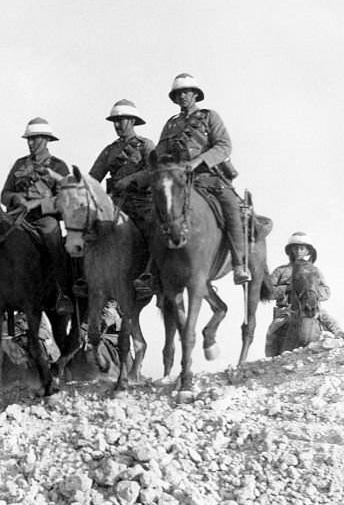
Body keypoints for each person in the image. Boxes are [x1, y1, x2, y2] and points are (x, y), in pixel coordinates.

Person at [155, 73, 250, 285]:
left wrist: (198, 162)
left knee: (231, 208)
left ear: (195, 95)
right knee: (157, 213)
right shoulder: (171, 125)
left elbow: (224, 145)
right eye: (178, 94)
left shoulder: (209, 117)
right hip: (178, 182)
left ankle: (238, 265)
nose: (183, 97)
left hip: (208, 178)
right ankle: (152, 271)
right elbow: (160, 152)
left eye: (187, 92)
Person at [0, 117, 74, 314]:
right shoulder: (19, 164)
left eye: (35, 139)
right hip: (17, 218)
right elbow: (4, 195)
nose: (31, 143)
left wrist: (39, 204)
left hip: (43, 218)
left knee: (54, 240)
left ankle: (62, 293)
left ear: (46, 139)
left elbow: (65, 198)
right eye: (29, 139)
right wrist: (15, 198)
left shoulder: (58, 166)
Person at [265, 232, 344, 355]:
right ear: (290, 250)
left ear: (308, 251)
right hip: (285, 311)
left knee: (332, 323)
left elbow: (326, 291)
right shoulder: (281, 271)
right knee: (273, 332)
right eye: (295, 248)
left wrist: (311, 292)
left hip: (311, 307)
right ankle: (271, 359)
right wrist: (287, 288)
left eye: (302, 248)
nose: (298, 251)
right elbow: (268, 292)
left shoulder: (314, 270)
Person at [89, 100, 155, 233]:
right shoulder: (109, 150)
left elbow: (154, 171)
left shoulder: (145, 145)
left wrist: (130, 179)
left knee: (152, 232)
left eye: (121, 120)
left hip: (141, 203)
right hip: (116, 202)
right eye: (115, 121)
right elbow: (93, 178)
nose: (117, 125)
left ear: (132, 121)